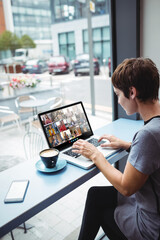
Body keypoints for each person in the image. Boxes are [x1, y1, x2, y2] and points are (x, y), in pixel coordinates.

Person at [72, 58, 160, 240]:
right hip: (153, 203)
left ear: (132, 92)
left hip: (151, 229)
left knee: (100, 209)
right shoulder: (154, 128)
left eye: (118, 94)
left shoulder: (147, 135)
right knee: (95, 195)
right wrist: (129, 145)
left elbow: (126, 188)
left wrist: (95, 154)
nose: (118, 101)